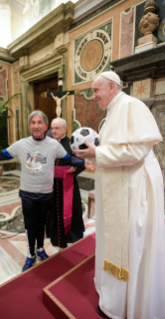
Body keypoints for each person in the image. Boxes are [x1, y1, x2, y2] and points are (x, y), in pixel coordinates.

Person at [74, 71, 165, 319]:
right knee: (114, 238)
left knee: (132, 242)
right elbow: (115, 150)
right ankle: (114, 297)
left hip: (135, 188)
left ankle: (129, 303)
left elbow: (137, 149)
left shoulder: (131, 106)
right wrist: (98, 159)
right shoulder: (112, 112)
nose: (93, 97)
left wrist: (97, 155)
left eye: (96, 90)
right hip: (119, 186)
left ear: (112, 87)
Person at [0, 110, 93, 272]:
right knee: (30, 226)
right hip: (28, 194)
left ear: (45, 126)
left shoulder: (54, 145)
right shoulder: (21, 145)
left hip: (46, 194)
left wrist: (84, 163)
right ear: (29, 126)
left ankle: (40, 249)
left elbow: (69, 159)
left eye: (40, 122)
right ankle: (30, 254)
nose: (36, 126)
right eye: (33, 123)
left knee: (41, 225)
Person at [47, 118, 85, 248]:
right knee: (52, 209)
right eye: (52, 128)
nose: (54, 131)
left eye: (57, 128)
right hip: (52, 184)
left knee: (70, 208)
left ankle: (71, 235)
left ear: (64, 129)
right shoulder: (47, 143)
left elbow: (82, 161)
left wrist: (76, 168)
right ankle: (54, 234)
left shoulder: (72, 143)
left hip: (68, 184)